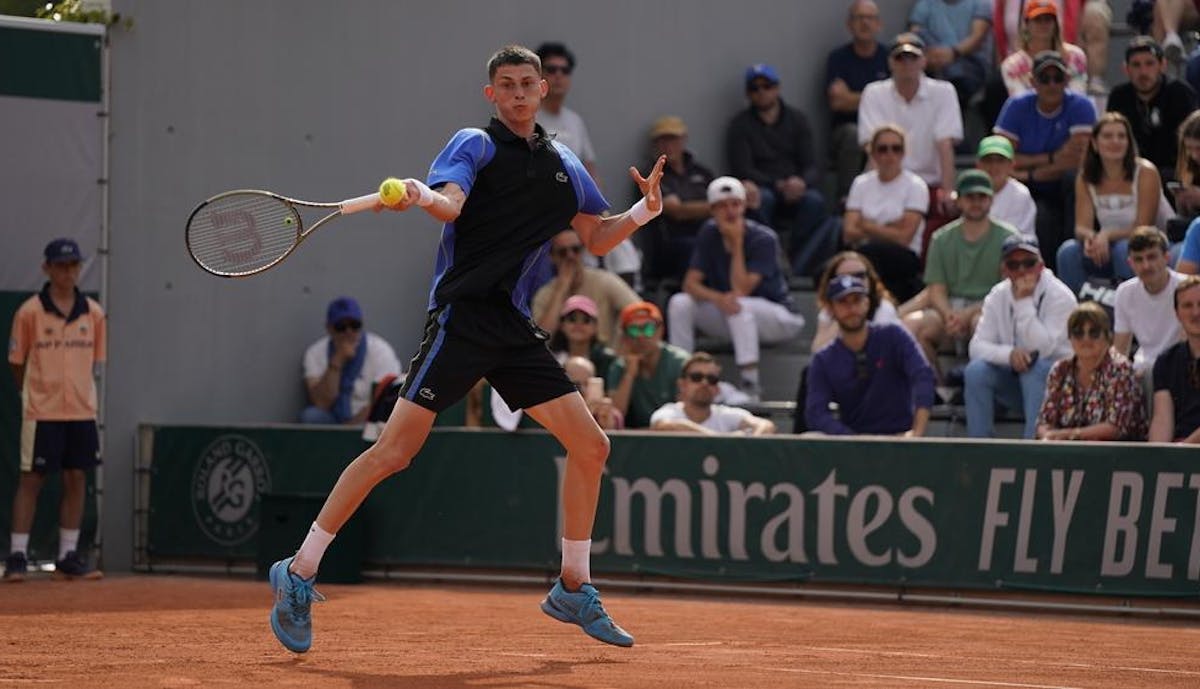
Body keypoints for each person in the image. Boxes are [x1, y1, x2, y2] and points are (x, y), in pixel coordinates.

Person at [267, 45, 669, 653]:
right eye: (505, 85)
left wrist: (644, 210)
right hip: (460, 320)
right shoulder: (472, 144)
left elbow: (599, 238)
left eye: (526, 85)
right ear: (491, 94)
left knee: (591, 445)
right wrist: (423, 195)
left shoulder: (564, 163)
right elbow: (451, 206)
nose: (516, 94)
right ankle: (298, 571)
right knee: (393, 453)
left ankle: (573, 585)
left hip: (512, 327)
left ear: (542, 91)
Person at [4, 238, 105, 582]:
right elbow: (16, 363)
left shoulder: (93, 313)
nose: (68, 272)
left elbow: (94, 362)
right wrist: (35, 391)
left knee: (77, 478)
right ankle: (17, 555)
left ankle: (67, 556)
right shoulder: (29, 312)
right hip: (41, 411)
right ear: (47, 268)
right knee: (31, 479)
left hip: (81, 412)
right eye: (61, 266)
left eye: (74, 265)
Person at [667, 177, 805, 399]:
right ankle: (682, 377)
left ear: (744, 206)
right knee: (679, 303)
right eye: (722, 206)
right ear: (712, 210)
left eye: (735, 204)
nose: (730, 211)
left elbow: (741, 289)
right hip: (734, 314)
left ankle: (751, 386)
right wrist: (717, 298)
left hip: (780, 318)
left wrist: (737, 243)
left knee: (739, 305)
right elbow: (690, 284)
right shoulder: (709, 233)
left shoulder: (763, 238)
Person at [535, 41, 641, 285]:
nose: (559, 76)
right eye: (551, 69)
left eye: (565, 70)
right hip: (545, 211)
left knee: (622, 247)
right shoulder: (529, 119)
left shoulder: (575, 121)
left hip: (580, 206)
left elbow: (589, 167)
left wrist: (598, 206)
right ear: (539, 77)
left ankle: (630, 307)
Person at [902, 170, 1021, 376]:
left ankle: (977, 387)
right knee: (915, 325)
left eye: (982, 197)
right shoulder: (941, 238)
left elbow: (1010, 288)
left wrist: (969, 313)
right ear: (959, 201)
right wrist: (949, 314)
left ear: (991, 200)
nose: (976, 202)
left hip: (990, 305)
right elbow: (936, 288)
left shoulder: (1008, 238)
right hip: (949, 307)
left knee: (981, 324)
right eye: (970, 197)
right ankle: (935, 388)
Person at [726, 63, 833, 277]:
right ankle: (773, 252)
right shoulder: (740, 125)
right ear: (748, 94)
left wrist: (801, 182)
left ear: (777, 88)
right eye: (755, 88)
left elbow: (811, 164)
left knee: (815, 201)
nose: (762, 92)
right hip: (764, 186)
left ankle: (797, 257)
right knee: (760, 199)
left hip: (796, 187)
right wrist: (777, 184)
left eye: (767, 86)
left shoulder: (797, 120)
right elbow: (743, 167)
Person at [965, 236, 1077, 438]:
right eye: (1013, 265)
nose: (1022, 270)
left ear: (1041, 265)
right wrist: (1009, 355)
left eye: (1029, 263)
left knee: (1035, 369)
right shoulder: (997, 294)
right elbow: (976, 347)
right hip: (1016, 382)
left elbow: (1044, 349)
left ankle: (1032, 450)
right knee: (976, 371)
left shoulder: (1060, 296)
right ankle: (979, 449)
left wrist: (1024, 303)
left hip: (1060, 388)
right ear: (1004, 269)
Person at [994, 50, 1097, 268]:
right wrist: (1052, 157)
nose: (1051, 85)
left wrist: (1029, 170)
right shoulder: (1016, 106)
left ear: (1067, 80)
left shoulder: (1082, 106)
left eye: (1058, 78)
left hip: (1065, 187)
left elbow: (1078, 161)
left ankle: (1078, 261)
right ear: (1032, 81)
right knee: (1042, 218)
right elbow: (1000, 158)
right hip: (1031, 188)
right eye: (1044, 78)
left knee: (1073, 178)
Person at [858, 33, 963, 242]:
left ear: (924, 60)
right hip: (887, 182)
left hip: (929, 184)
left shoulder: (944, 91)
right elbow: (875, 148)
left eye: (913, 57)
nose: (907, 63)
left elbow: (945, 144)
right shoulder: (873, 93)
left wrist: (948, 190)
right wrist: (867, 191)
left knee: (944, 219)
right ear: (890, 62)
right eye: (900, 58)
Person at [806, 275, 936, 436]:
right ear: (830, 309)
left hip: (900, 437)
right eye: (843, 302)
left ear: (867, 303)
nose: (851, 308)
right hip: (850, 444)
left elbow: (923, 374)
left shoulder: (894, 335)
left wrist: (917, 433)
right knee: (811, 437)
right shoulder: (823, 359)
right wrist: (851, 439)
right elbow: (816, 413)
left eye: (857, 300)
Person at [1055, 113, 1164, 295]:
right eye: (1107, 136)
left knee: (1124, 249)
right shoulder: (1085, 177)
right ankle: (1081, 313)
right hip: (1106, 246)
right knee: (1068, 251)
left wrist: (1106, 235)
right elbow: (1081, 227)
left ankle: (1127, 306)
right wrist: (1092, 238)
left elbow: (1143, 228)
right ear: (1095, 144)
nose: (1115, 141)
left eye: (1121, 136)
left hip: (1147, 244)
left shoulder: (1146, 172)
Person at [795, 251, 902, 433]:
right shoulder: (831, 313)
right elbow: (818, 352)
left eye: (860, 275)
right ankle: (801, 439)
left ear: (870, 279)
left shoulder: (884, 309)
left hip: (881, 378)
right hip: (845, 376)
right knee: (810, 373)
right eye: (844, 277)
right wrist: (844, 317)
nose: (853, 281)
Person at [842, 123, 930, 303]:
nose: (889, 155)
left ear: (903, 153)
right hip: (865, 253)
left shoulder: (916, 185)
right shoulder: (861, 183)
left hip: (904, 257)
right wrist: (890, 228)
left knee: (866, 255)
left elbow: (904, 237)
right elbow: (848, 232)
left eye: (896, 149)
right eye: (883, 149)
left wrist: (866, 225)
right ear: (872, 153)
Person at [1036, 302, 1147, 440]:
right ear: (1070, 338)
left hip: (1116, 455)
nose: (1086, 338)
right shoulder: (1060, 370)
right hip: (1067, 453)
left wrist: (1069, 435)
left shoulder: (1120, 369)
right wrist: (1047, 435)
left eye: (1094, 333)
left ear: (1108, 337)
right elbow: (1045, 420)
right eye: (1078, 333)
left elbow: (1116, 427)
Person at [1106, 37, 1198, 185]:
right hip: (1130, 173)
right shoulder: (1119, 97)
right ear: (1126, 69)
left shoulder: (1180, 94)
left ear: (1162, 65)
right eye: (1136, 65)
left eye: (1150, 64)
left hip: (1174, 175)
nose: (1143, 72)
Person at [641, 115, 718, 285]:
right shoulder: (651, 175)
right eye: (663, 140)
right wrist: (716, 206)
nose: (668, 146)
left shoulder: (702, 172)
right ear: (655, 145)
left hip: (709, 231)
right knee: (696, 247)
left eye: (673, 139)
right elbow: (677, 211)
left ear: (684, 140)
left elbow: (721, 198)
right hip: (671, 242)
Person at [825, 0, 890, 203]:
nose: (865, 23)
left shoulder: (888, 57)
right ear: (849, 25)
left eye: (870, 18)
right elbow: (837, 102)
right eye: (858, 18)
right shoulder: (838, 58)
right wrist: (878, 96)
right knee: (854, 134)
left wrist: (853, 96)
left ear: (879, 24)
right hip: (847, 128)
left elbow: (895, 99)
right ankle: (848, 198)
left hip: (884, 126)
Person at [300, 297, 401, 425]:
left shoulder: (380, 351)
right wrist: (336, 362)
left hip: (367, 418)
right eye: (341, 327)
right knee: (310, 416)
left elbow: (382, 400)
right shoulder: (315, 353)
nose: (349, 332)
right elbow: (321, 403)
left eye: (355, 325)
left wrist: (350, 428)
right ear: (329, 328)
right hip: (332, 417)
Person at [532, 229, 639, 345]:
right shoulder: (545, 293)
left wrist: (620, 346)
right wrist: (561, 289)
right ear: (552, 257)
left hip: (604, 357)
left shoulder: (603, 280)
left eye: (575, 250)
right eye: (563, 252)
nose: (570, 256)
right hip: (561, 360)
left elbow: (638, 311)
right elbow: (541, 339)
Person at [1113, 227, 1185, 379]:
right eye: (1139, 259)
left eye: (1151, 257)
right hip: (1143, 369)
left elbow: (1189, 346)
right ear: (1130, 263)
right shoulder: (1124, 293)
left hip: (1179, 369)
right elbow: (1120, 351)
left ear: (1166, 258)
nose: (1146, 266)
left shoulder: (1186, 288)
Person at [607, 301, 689, 429]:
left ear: (660, 330)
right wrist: (629, 374)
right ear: (625, 336)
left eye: (648, 329)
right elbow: (615, 417)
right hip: (636, 440)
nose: (641, 336)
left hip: (675, 434)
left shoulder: (679, 362)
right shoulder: (619, 367)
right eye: (633, 330)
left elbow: (689, 412)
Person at [649, 352, 776, 435]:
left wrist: (753, 439)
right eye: (696, 377)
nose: (704, 383)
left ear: (718, 389)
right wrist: (718, 438)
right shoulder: (670, 412)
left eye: (712, 379)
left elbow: (766, 425)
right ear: (682, 384)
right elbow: (663, 426)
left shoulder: (725, 414)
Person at [908, 0, 994, 105]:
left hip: (968, 62)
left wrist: (953, 53)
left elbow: (977, 37)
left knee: (956, 76)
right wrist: (934, 57)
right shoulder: (925, 4)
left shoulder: (980, 3)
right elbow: (915, 35)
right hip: (932, 60)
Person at [1148, 276, 1200, 442]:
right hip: (1180, 455)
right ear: (1177, 313)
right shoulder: (1166, 361)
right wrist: (1157, 459)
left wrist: (1183, 450)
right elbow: (1162, 419)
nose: (1196, 313)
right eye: (1187, 306)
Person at [999, 0, 1089, 96]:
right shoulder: (1012, 66)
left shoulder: (1076, 56)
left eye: (1048, 19)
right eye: (1037, 19)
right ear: (1027, 24)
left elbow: (1078, 94)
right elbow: (1021, 100)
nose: (1043, 24)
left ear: (1055, 24)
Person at [976, 135, 1037, 240]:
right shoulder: (969, 192)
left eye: (1000, 160)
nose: (993, 166)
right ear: (978, 165)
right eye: (988, 160)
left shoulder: (1020, 194)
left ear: (1011, 165)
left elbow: (1017, 239)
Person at [547, 294, 617, 378]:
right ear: (562, 325)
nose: (578, 325)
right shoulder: (551, 359)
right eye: (572, 319)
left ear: (595, 327)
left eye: (586, 320)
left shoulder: (607, 360)